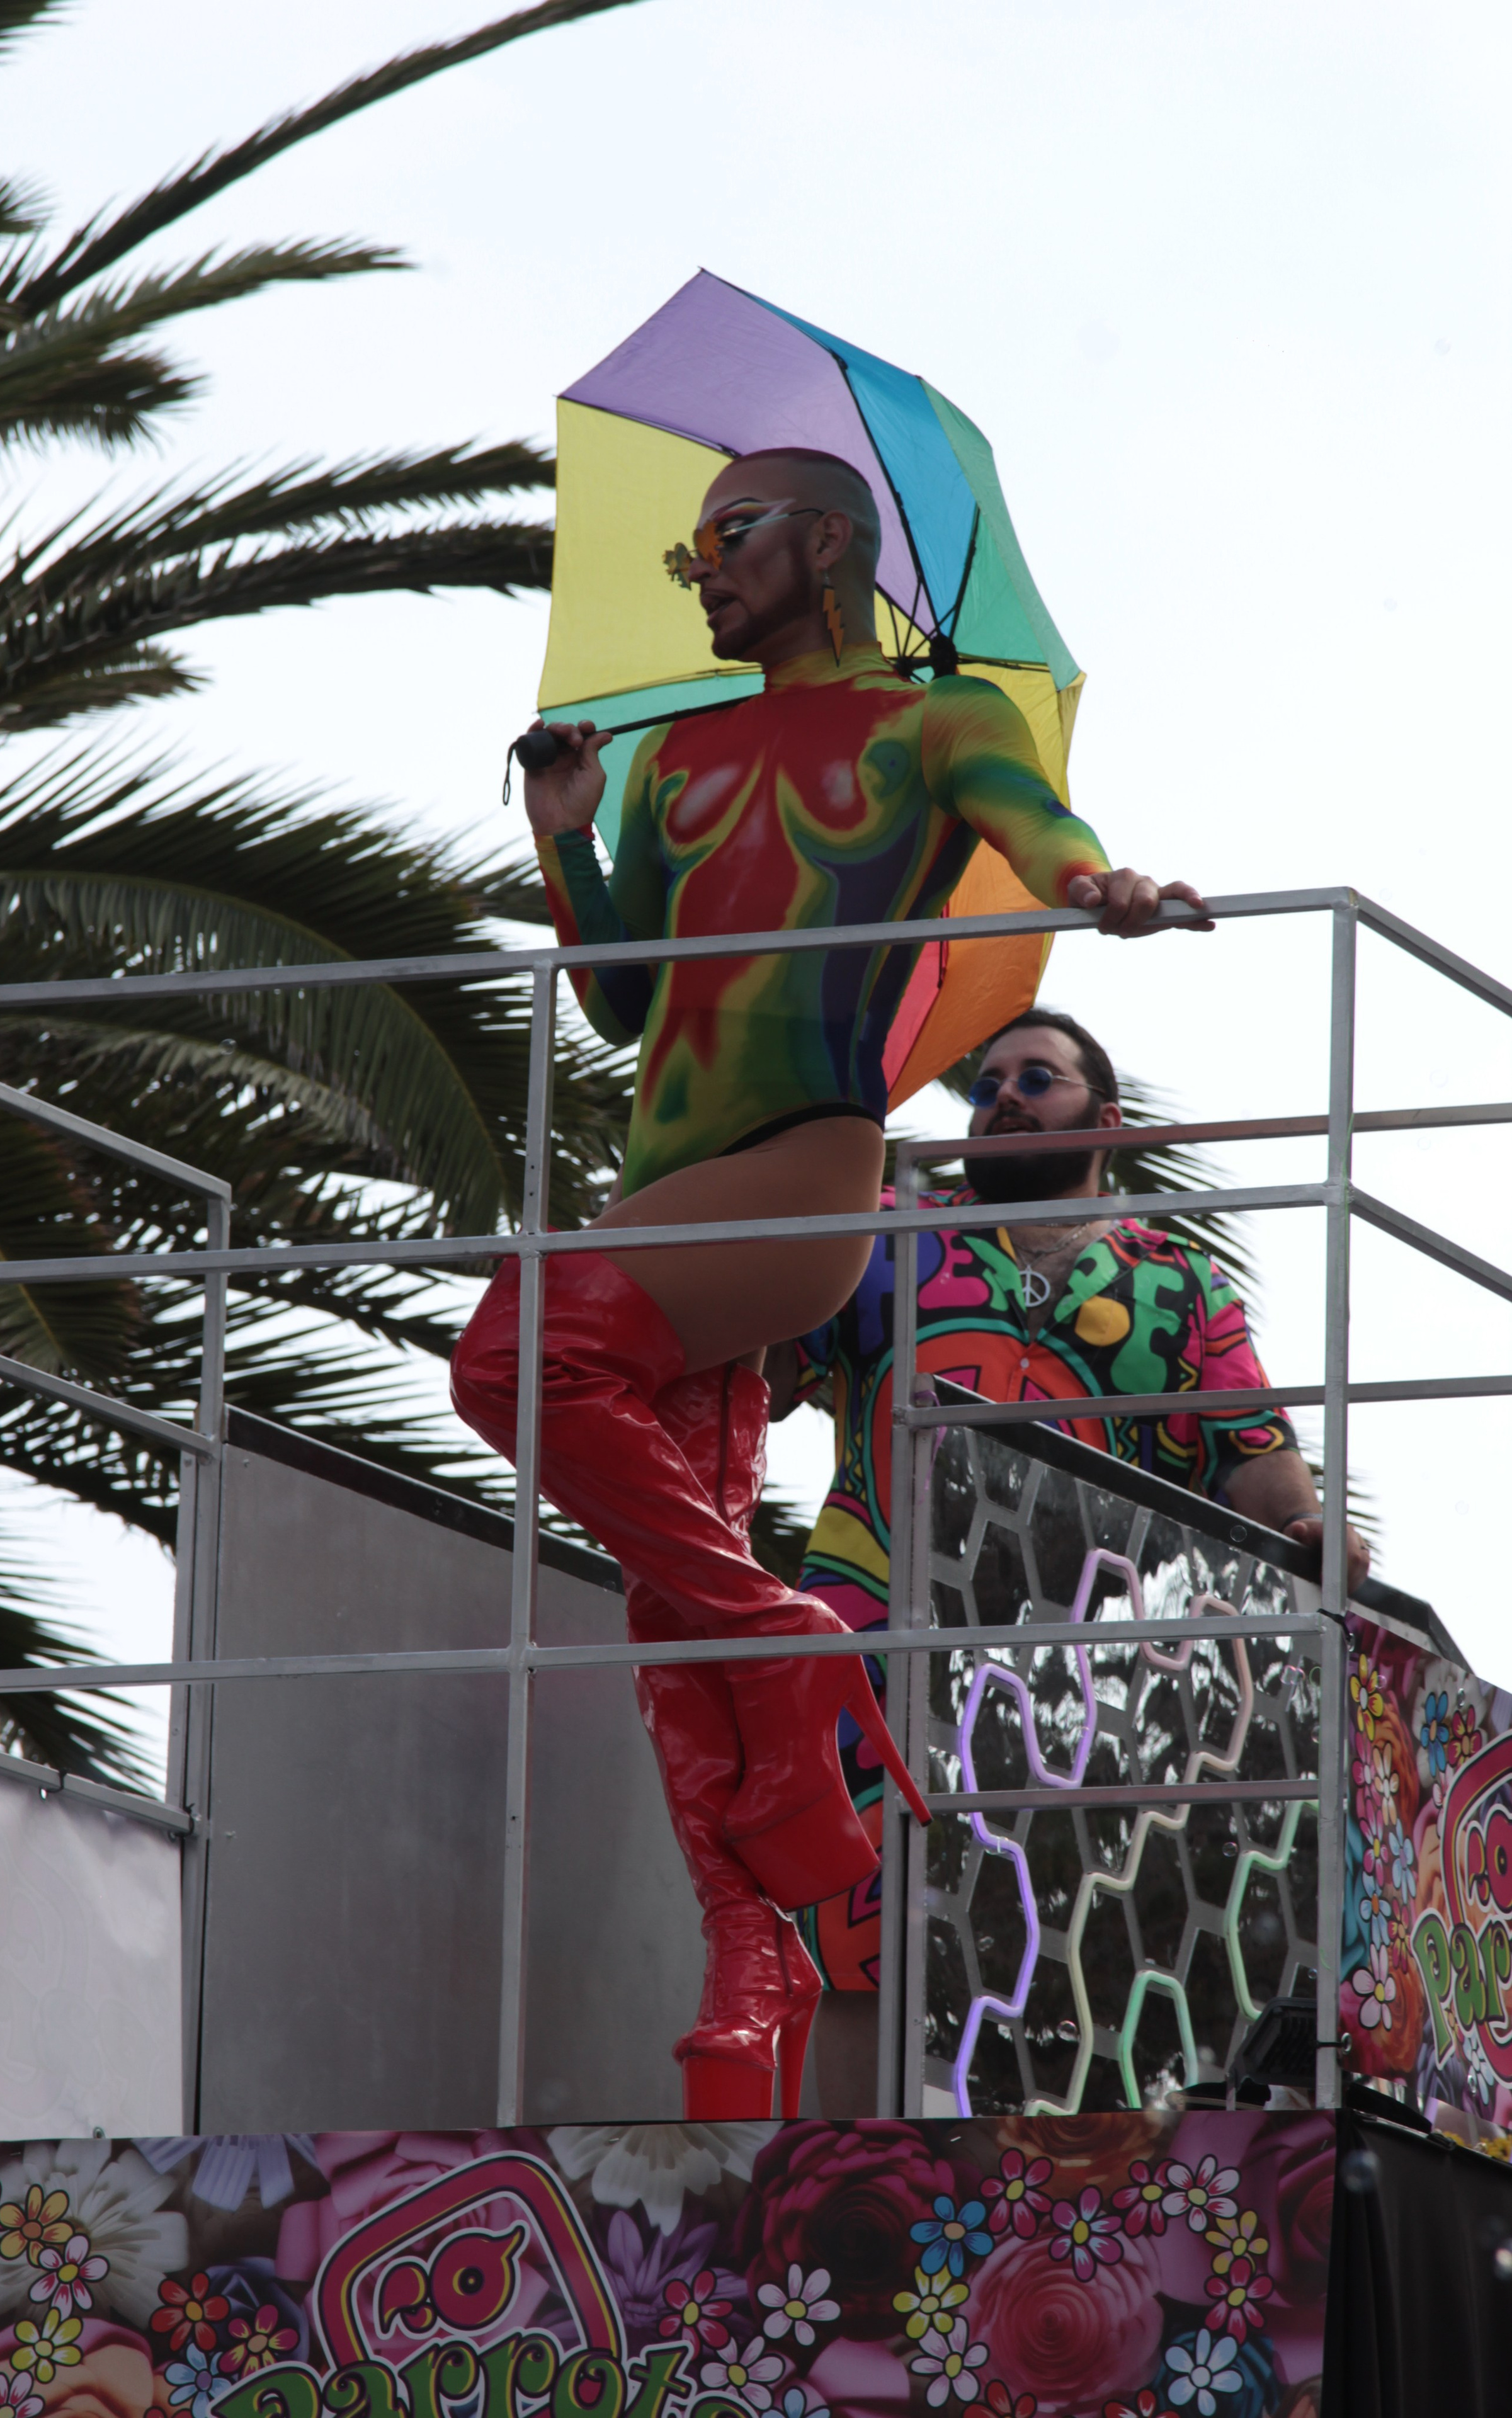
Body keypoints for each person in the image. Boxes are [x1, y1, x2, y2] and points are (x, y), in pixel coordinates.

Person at [448, 445, 1210, 2120]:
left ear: (832, 544)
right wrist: (567, 840)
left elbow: (1033, 826)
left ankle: (789, 1634)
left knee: (509, 1361)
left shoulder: (936, 723)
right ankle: (755, 1965)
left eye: (732, 536)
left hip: (797, 1169)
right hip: (664, 1190)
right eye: (694, 549)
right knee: (671, 1613)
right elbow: (624, 1001)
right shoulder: (674, 755)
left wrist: (1099, 887)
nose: (704, 570)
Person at [765, 1004, 1370, 2113]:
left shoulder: (1181, 1285)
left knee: (1075, 1939)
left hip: (1090, 1681)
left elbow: (1259, 1467)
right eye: (987, 1083)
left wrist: (1314, 1530)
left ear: (1109, 1119)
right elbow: (752, 1373)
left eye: (1037, 1078)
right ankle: (850, 2166)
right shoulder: (883, 1235)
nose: (1003, 1095)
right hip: (870, 1640)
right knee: (852, 1930)